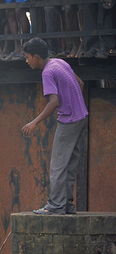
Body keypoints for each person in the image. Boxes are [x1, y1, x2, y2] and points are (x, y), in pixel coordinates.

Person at [21, 37, 88, 215]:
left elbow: (54, 101)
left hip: (69, 121)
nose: (27, 61)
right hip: (81, 117)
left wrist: (34, 122)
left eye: (27, 57)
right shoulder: (59, 62)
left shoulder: (47, 72)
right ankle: (67, 205)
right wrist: (74, 104)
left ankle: (56, 205)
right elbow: (80, 83)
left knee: (58, 165)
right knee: (70, 164)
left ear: (36, 56)